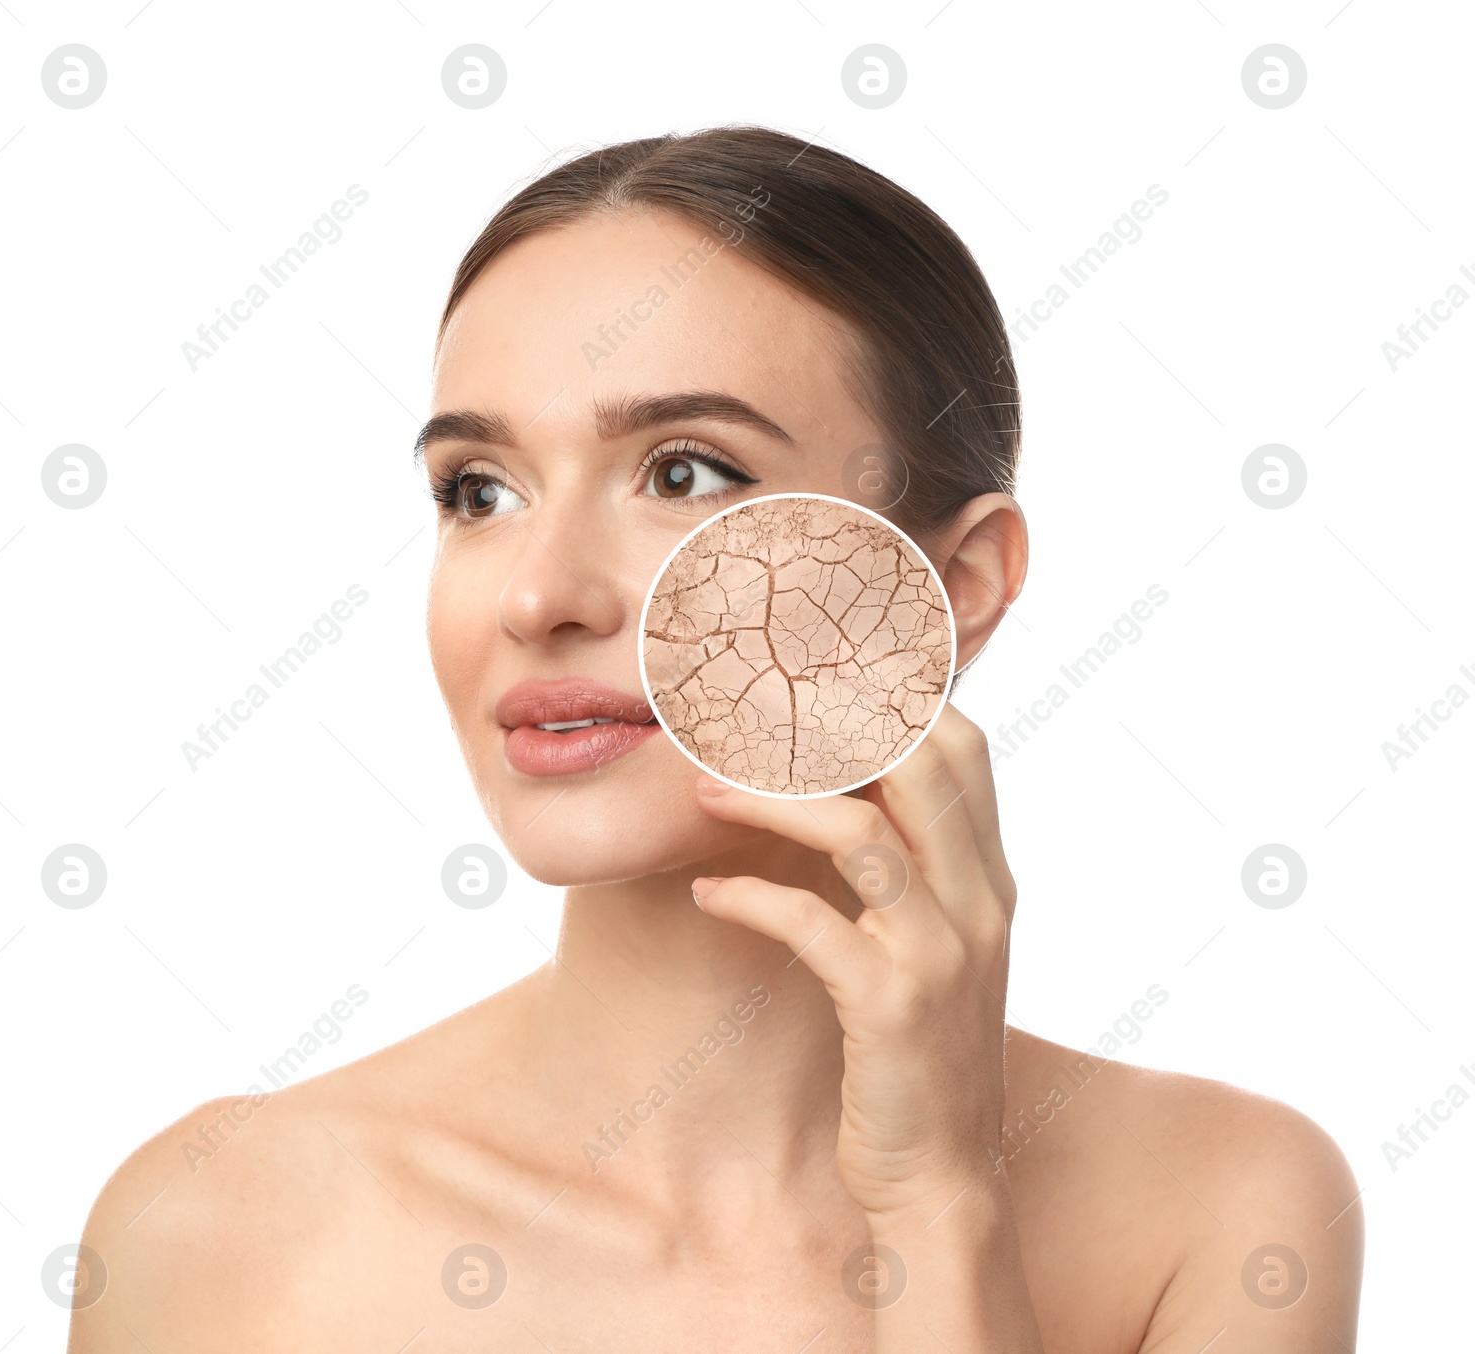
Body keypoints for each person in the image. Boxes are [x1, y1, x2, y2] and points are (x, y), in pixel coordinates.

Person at [72, 126, 1363, 1352]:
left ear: (956, 582)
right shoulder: (216, 1228)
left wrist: (937, 1201)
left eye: (684, 471)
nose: (537, 595)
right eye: (480, 491)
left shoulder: (1219, 1208)